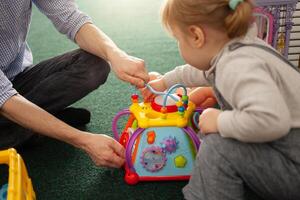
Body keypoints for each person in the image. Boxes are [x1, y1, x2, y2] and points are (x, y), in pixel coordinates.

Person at [143, 0, 300, 199]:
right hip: (286, 152)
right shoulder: (239, 46)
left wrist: (219, 120)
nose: (179, 44)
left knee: (218, 146)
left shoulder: (237, 65)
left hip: (293, 164)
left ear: (196, 36)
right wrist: (165, 82)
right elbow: (202, 71)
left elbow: (272, 121)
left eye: (178, 39)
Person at [0, 0, 149, 168]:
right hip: (4, 98)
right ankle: (31, 129)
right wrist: (82, 140)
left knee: (94, 65)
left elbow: (71, 18)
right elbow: (4, 98)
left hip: (17, 78)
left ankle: (33, 126)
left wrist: (116, 55)